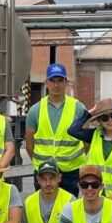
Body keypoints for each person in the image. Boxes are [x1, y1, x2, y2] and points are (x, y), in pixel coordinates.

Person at [68, 97, 112, 216]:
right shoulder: (94, 135)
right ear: (99, 121)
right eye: (104, 117)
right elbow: (72, 130)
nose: (110, 120)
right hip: (96, 199)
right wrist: (89, 113)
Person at [26, 63, 87, 195]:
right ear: (46, 82)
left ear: (66, 82)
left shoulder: (78, 108)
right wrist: (38, 162)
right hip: (43, 171)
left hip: (70, 172)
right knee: (43, 210)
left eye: (60, 80)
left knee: (68, 211)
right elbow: (29, 145)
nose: (56, 85)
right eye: (52, 81)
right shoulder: (35, 110)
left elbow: (88, 142)